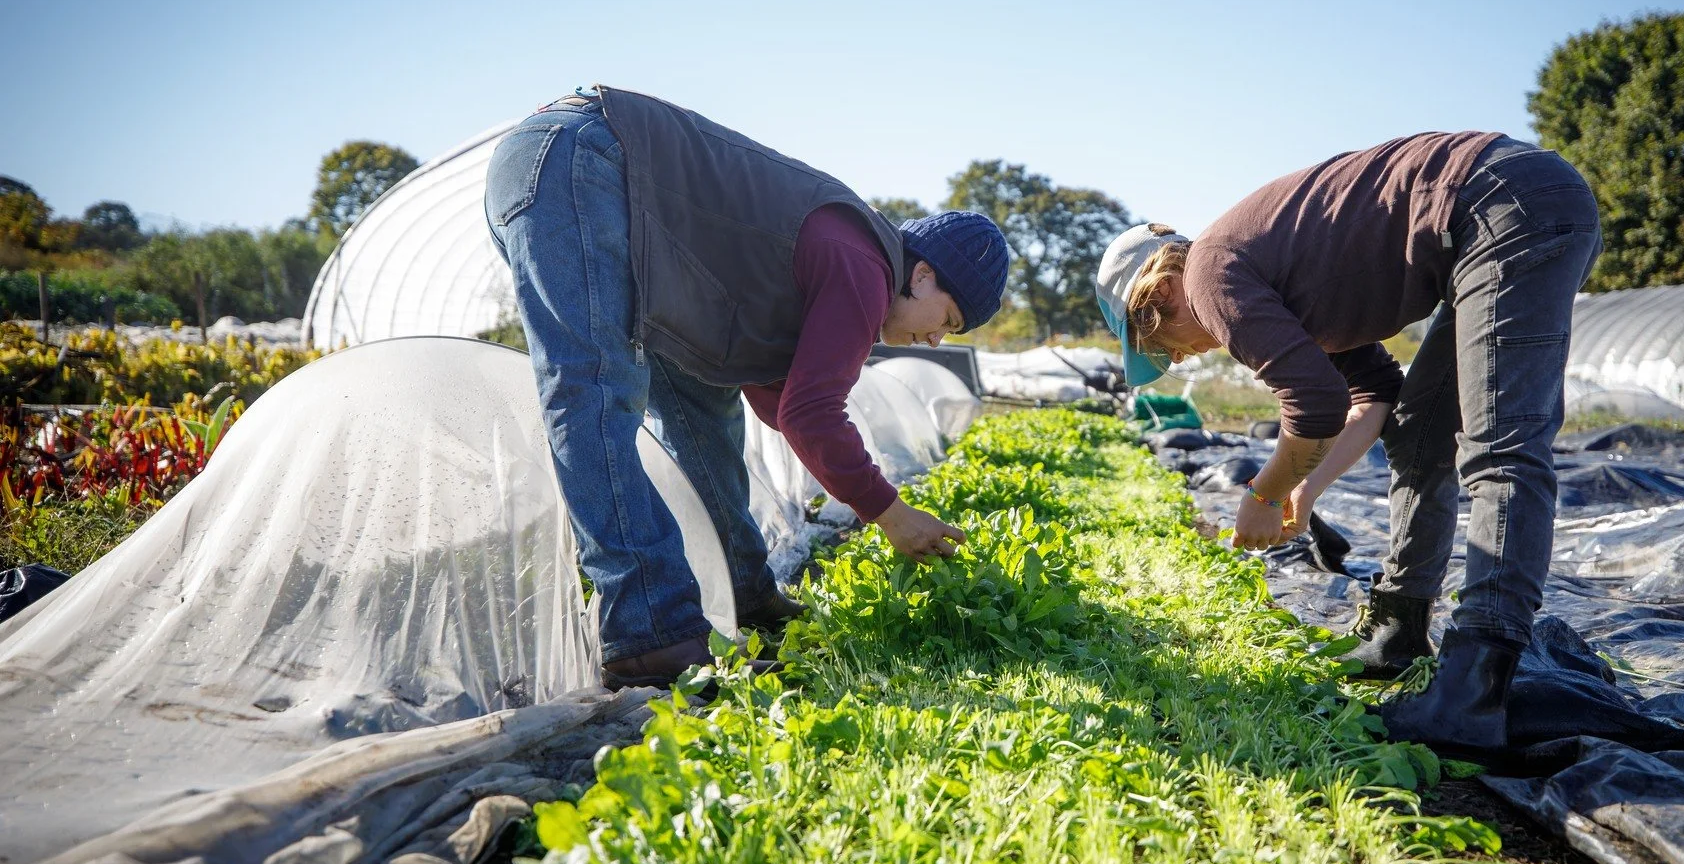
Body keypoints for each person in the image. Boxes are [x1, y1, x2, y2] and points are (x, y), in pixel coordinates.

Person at [485, 87, 1010, 692]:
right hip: (582, 163)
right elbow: (810, 413)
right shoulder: (865, 266)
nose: (937, 343)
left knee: (702, 408)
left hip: (596, 182)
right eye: (946, 321)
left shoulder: (855, 261)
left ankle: (744, 594)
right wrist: (891, 514)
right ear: (921, 275)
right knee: (595, 390)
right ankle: (650, 630)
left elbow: (781, 403)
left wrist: (822, 427)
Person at [1095, 134, 1600, 755]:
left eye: (1163, 341)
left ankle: (1473, 688)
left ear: (1160, 290)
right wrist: (1303, 492)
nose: (1179, 354)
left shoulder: (1208, 274)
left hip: (1502, 201)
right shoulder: (1270, 276)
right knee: (1421, 431)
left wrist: (1263, 491)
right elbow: (1378, 398)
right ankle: (1399, 628)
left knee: (1500, 442)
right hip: (1494, 209)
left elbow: (1314, 405)